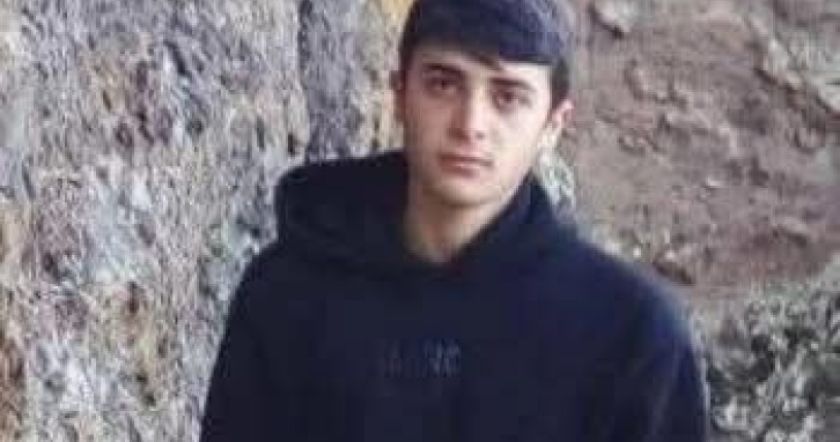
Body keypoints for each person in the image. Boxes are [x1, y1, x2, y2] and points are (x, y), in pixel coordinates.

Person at [199, 0, 710, 440]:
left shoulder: (633, 337)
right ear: (399, 95)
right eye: (443, 84)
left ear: (553, 124)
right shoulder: (289, 293)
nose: (471, 124)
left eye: (507, 96)